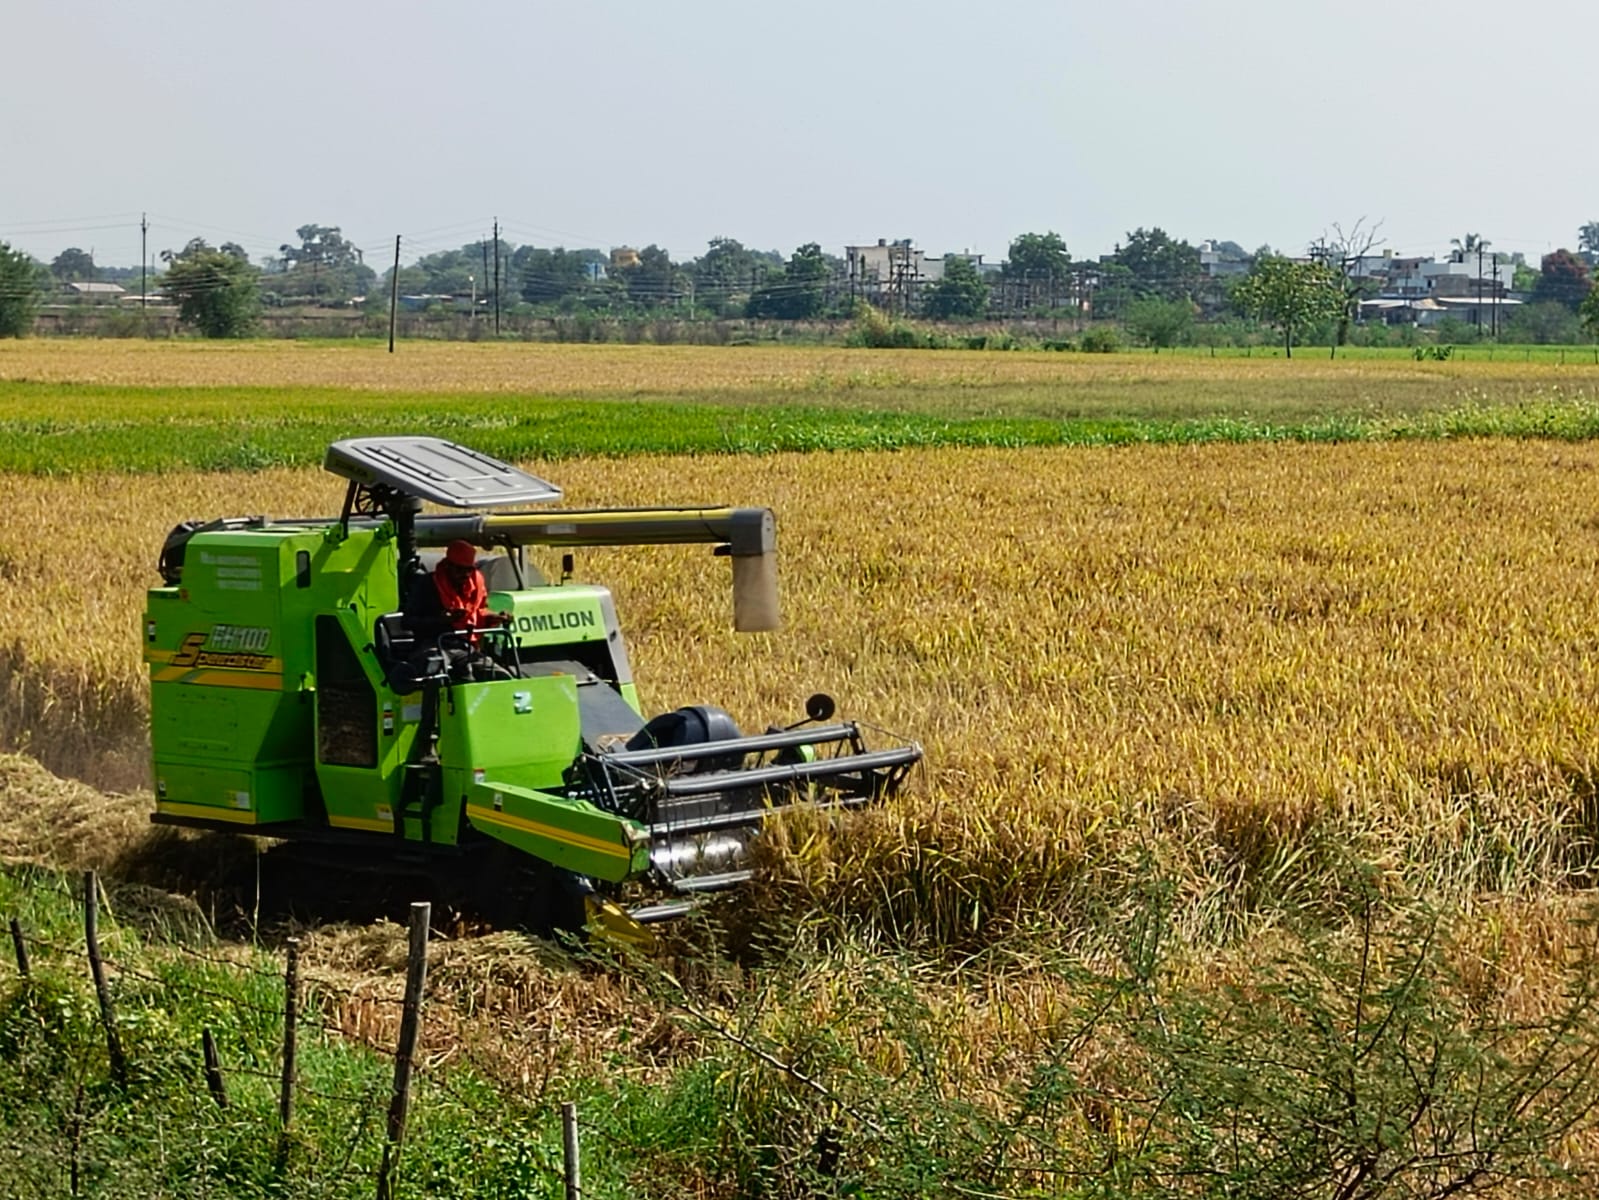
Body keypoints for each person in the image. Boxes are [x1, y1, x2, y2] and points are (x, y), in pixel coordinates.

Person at [405, 540, 504, 644]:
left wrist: (492, 618)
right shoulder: (427, 584)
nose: (465, 574)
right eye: (460, 569)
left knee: (488, 660)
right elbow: (407, 622)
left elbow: (479, 612)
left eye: (469, 570)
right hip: (433, 646)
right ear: (448, 566)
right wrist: (441, 620)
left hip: (468, 646)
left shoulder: (476, 584)